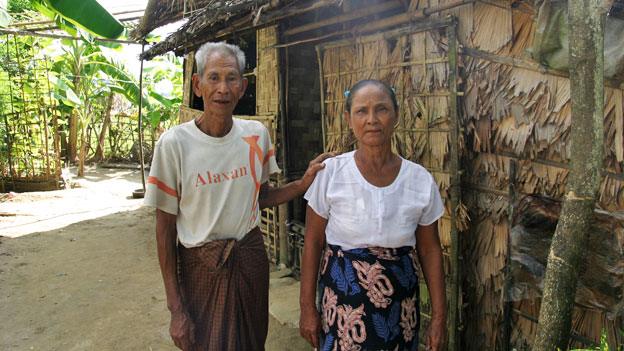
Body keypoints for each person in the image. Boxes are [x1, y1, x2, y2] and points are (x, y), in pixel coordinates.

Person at [144, 41, 333, 351]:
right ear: (197, 85)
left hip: (249, 259)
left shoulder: (255, 135)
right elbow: (165, 230)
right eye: (214, 77)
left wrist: (302, 184)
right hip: (201, 267)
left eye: (232, 78)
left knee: (253, 341)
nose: (223, 88)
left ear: (244, 86)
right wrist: (176, 309)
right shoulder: (174, 145)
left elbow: (259, 197)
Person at [299, 79, 447, 350]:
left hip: (400, 305)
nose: (372, 120)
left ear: (396, 116)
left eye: (381, 109)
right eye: (361, 111)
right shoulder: (331, 174)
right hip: (343, 303)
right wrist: (307, 307)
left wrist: (439, 317)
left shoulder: (419, 180)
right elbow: (312, 243)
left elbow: (429, 250)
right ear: (348, 118)